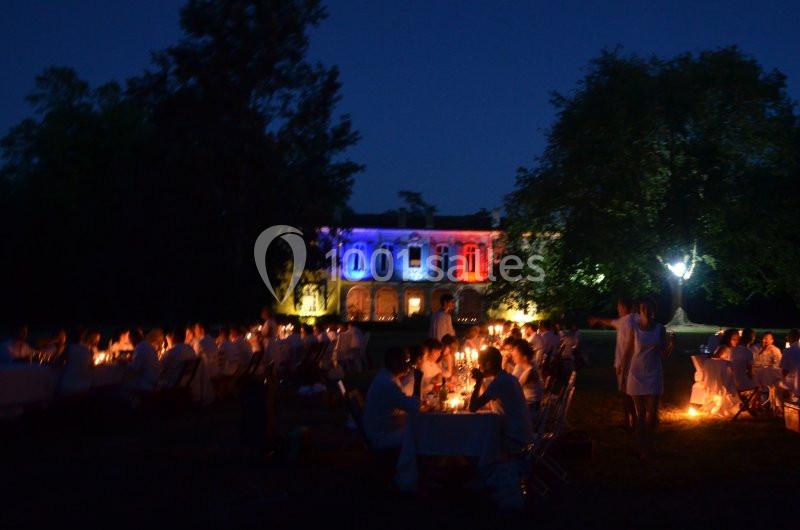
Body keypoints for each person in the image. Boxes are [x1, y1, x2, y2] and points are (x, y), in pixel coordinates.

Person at [626, 298, 672, 460]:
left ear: (654, 310)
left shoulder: (660, 329)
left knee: (652, 414)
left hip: (653, 373)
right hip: (636, 374)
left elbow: (663, 354)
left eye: (649, 308)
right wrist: (622, 370)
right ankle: (642, 448)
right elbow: (628, 351)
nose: (647, 311)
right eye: (643, 308)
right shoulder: (634, 328)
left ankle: (650, 444)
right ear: (639, 311)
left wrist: (670, 344)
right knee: (640, 415)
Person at [468, 347, 534, 453]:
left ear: (488, 364)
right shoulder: (508, 378)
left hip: (515, 440)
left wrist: (479, 381)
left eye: (480, 365)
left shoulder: (500, 382)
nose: (479, 369)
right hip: (524, 434)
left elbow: (472, 407)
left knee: (476, 438)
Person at [589, 297, 638, 430]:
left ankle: (630, 421)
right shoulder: (637, 319)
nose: (617, 309)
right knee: (634, 392)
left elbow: (610, 322)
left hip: (624, 362)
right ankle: (635, 419)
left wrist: (597, 319)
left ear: (623, 307)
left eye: (618, 306)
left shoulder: (625, 321)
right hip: (637, 362)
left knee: (625, 393)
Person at [362, 347, 421, 449]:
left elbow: (403, 402)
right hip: (381, 435)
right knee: (419, 433)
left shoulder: (387, 376)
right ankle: (409, 464)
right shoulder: (388, 383)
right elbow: (413, 406)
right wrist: (418, 381)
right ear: (395, 363)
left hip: (385, 427)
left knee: (417, 426)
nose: (409, 364)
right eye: (406, 360)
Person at [510, 339, 543, 424]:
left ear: (524, 357)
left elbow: (513, 389)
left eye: (515, 356)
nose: (513, 359)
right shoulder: (530, 367)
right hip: (531, 405)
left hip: (530, 409)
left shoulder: (529, 372)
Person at [59, 330, 99, 395]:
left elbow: (57, 363)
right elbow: (92, 365)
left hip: (69, 386)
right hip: (85, 386)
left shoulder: (69, 348)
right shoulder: (88, 350)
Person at [780, 329, 800, 398]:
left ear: (790, 338)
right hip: (796, 384)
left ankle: (779, 408)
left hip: (793, 385)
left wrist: (783, 384)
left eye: (787, 337)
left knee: (776, 386)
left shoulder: (788, 351)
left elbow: (784, 371)